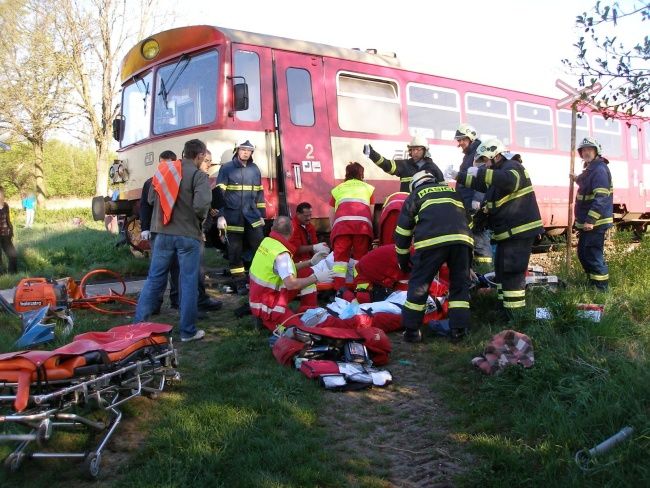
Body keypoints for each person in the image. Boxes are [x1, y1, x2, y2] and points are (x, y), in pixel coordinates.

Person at [452, 139, 543, 320]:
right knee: (502, 271)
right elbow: (482, 184)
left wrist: (481, 171)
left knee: (512, 273)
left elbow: (508, 181)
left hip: (518, 232)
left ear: (496, 155)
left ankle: (515, 315)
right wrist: (459, 176)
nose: (485, 164)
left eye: (486, 160)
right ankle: (504, 308)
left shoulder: (513, 166)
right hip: (507, 234)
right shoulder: (496, 173)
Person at [135, 139, 212, 342]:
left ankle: (137, 328)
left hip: (161, 233)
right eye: (204, 156)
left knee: (154, 279)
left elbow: (152, 199)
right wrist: (198, 220)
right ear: (200, 155)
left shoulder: (164, 171)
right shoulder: (199, 176)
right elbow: (201, 205)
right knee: (187, 282)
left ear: (183, 153)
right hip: (187, 235)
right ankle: (187, 332)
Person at [394, 171, 473, 343]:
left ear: (414, 185)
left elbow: (402, 233)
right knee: (459, 285)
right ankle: (458, 330)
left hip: (430, 243)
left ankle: (412, 332)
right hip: (462, 241)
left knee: (419, 285)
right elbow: (469, 221)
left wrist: (403, 260)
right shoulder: (452, 191)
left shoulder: (415, 196)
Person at [249, 216, 333, 331]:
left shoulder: (268, 242)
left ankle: (308, 310)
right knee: (300, 331)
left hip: (260, 297)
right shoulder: (282, 254)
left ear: (273, 228)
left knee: (305, 273)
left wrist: (310, 262)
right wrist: (316, 277)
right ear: (292, 230)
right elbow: (291, 284)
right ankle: (270, 321)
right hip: (270, 305)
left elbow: (284, 270)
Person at [215, 139, 266, 294]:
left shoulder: (255, 169)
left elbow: (259, 194)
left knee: (261, 250)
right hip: (232, 216)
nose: (245, 152)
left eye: (248, 150)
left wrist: (262, 215)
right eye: (243, 149)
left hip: (253, 217)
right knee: (235, 252)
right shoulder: (227, 168)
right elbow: (219, 194)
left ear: (251, 153)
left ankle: (259, 281)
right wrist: (221, 216)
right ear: (237, 151)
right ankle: (240, 284)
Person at [140, 150, 180, 312]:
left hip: (175, 230)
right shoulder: (151, 182)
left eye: (168, 163)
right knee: (158, 270)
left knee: (176, 269)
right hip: (157, 231)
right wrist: (145, 228)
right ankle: (154, 304)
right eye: (162, 163)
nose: (164, 166)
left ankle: (176, 301)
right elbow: (145, 206)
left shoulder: (179, 181)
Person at [573, 137, 613, 291]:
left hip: (595, 223)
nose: (586, 152)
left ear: (596, 151)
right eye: (583, 150)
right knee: (584, 254)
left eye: (589, 149)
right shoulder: (591, 169)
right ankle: (593, 285)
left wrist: (591, 220)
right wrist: (576, 178)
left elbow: (601, 196)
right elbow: (585, 183)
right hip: (587, 223)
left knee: (592, 255)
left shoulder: (599, 169)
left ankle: (602, 289)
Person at [329, 162, 375, 290]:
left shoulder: (337, 189)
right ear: (361, 174)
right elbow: (370, 213)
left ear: (346, 174)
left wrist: (334, 230)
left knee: (340, 261)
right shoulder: (368, 188)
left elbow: (331, 214)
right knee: (360, 259)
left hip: (341, 227)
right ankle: (362, 290)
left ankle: (339, 291)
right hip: (362, 227)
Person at [453, 124, 492, 266]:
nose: (460, 143)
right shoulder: (469, 155)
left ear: (470, 138)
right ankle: (477, 269)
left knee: (479, 236)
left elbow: (482, 179)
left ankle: (484, 269)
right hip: (467, 203)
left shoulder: (477, 153)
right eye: (459, 140)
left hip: (474, 204)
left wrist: (477, 200)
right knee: (472, 236)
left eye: (462, 140)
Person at [364, 135, 444, 192]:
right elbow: (387, 165)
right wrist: (371, 154)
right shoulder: (404, 165)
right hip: (407, 208)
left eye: (418, 149)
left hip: (425, 210)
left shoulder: (434, 169)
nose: (414, 152)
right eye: (412, 149)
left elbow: (443, 190)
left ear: (425, 151)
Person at [289, 202, 330, 308]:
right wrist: (315, 247)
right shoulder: (293, 227)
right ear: (298, 214)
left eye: (310, 215)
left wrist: (321, 250)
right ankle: (309, 306)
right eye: (306, 216)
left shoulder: (309, 226)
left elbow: (314, 243)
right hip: (299, 264)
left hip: (310, 261)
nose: (309, 218)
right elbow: (296, 249)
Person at [0, 186, 18, 274]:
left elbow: (8, 219)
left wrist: (11, 230)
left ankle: (13, 274)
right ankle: (2, 277)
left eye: (1, 193)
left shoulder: (6, 205)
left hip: (6, 235)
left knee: (13, 255)